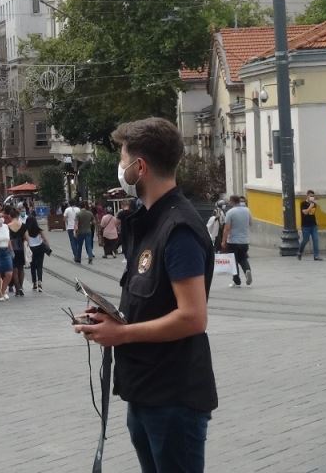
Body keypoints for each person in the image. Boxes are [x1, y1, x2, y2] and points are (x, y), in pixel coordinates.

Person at [75, 117, 217, 473]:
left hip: (173, 395)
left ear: (140, 167)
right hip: (145, 389)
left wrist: (120, 334)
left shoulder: (178, 227)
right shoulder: (148, 220)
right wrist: (109, 319)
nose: (119, 169)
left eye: (122, 160)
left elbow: (192, 316)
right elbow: (150, 300)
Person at [221, 195, 253, 288]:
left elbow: (226, 229)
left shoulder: (230, 212)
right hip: (244, 241)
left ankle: (237, 281)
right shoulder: (247, 210)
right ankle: (247, 270)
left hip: (233, 241)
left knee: (233, 261)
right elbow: (251, 223)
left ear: (232, 201)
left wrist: (223, 241)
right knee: (243, 258)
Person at [6, 206, 27, 296]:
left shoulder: (8, 226)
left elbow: (7, 239)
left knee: (14, 270)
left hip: (12, 249)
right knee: (21, 269)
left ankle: (17, 288)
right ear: (18, 216)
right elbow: (26, 238)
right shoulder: (23, 226)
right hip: (21, 249)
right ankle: (21, 287)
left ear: (10, 216)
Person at [25, 215, 50, 292]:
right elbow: (45, 240)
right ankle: (40, 283)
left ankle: (34, 284)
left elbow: (27, 241)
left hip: (32, 249)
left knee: (33, 267)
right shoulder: (39, 230)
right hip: (40, 248)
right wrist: (48, 247)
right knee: (39, 266)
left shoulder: (26, 231)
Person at [298, 190, 323, 261]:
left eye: (313, 196)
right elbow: (305, 213)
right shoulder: (302, 203)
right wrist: (310, 206)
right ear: (307, 196)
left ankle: (316, 256)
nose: (312, 197)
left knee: (316, 240)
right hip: (305, 226)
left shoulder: (314, 204)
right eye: (311, 196)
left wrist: (313, 204)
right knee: (305, 240)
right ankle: (300, 252)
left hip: (313, 225)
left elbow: (312, 214)